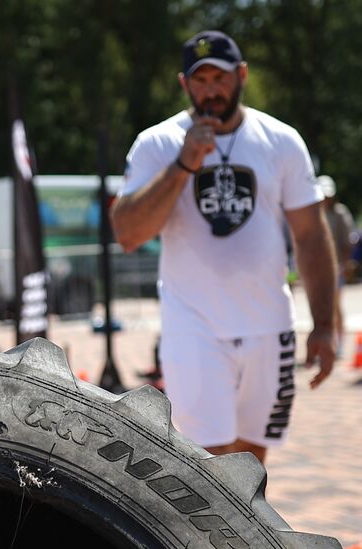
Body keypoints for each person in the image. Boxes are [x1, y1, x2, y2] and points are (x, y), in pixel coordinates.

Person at [110, 30, 337, 465]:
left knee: (251, 461)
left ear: (242, 76)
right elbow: (128, 234)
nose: (211, 91)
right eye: (200, 80)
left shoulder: (281, 141)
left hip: (268, 323)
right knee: (208, 461)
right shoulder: (158, 143)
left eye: (220, 78)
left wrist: (325, 324)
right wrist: (184, 164)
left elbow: (310, 235)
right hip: (193, 326)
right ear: (184, 84)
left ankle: (245, 517)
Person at [317, 174, 356, 354]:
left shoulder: (339, 213)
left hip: (336, 266)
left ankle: (339, 341)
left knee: (335, 305)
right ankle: (324, 341)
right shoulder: (314, 213)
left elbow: (348, 242)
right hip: (318, 267)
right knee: (320, 306)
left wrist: (344, 265)